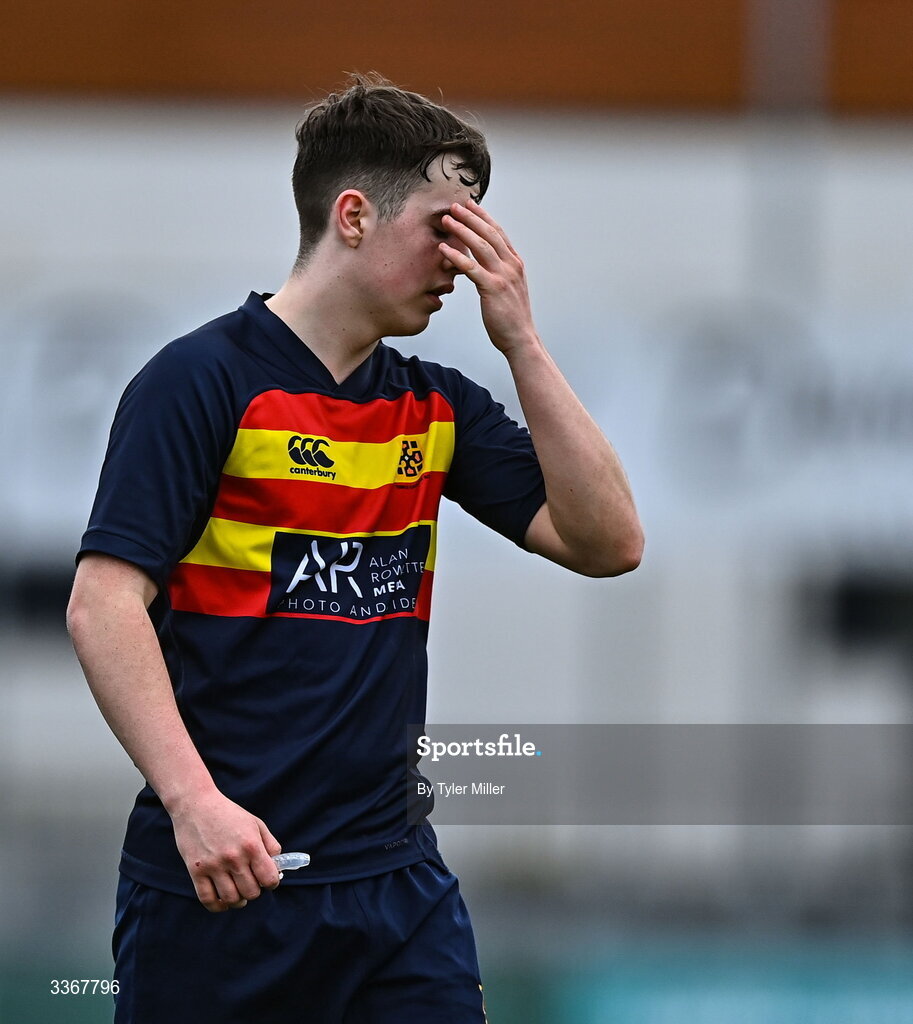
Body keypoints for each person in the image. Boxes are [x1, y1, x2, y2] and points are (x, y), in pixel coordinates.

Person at [67, 75, 643, 1023]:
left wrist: (523, 343)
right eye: (445, 227)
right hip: (225, 887)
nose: (464, 262)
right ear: (353, 215)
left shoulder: (435, 402)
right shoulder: (200, 381)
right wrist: (194, 804)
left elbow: (609, 542)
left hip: (396, 889)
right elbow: (102, 605)